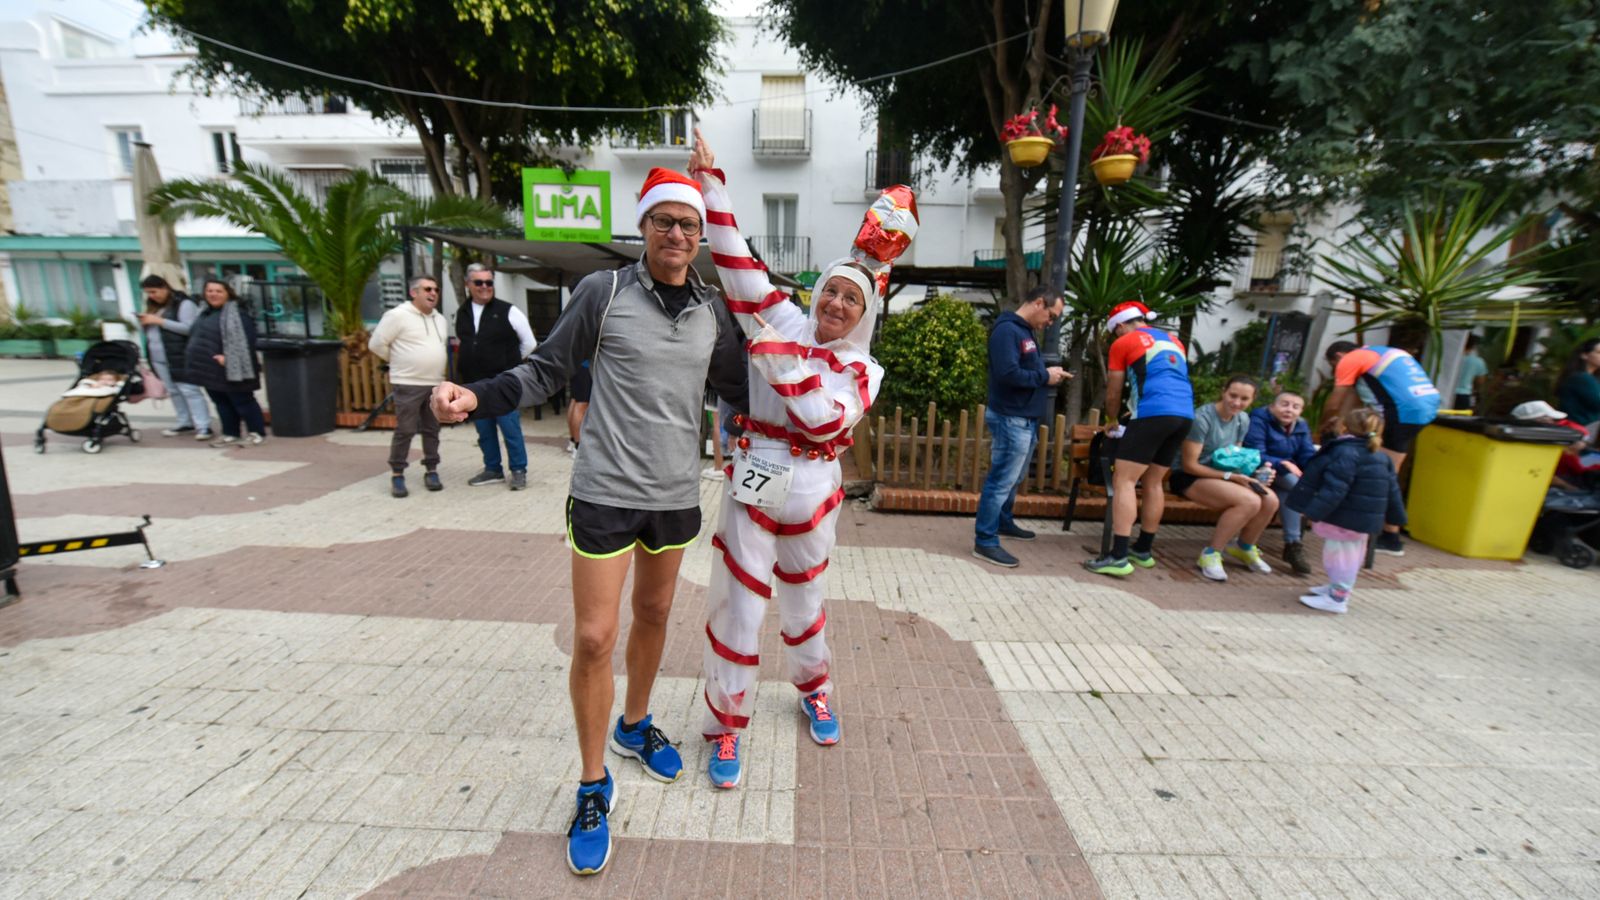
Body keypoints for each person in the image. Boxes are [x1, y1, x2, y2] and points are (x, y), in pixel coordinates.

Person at [430, 164, 747, 877]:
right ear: (643, 227)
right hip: (604, 490)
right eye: (663, 220)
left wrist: (827, 392)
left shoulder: (713, 310)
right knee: (597, 637)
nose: (676, 233)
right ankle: (592, 782)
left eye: (688, 223)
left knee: (658, 612)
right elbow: (544, 369)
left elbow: (742, 386)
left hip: (674, 493)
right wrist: (476, 399)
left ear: (701, 235)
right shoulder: (602, 293)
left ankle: (636, 724)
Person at [691, 130, 915, 789]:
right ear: (816, 292)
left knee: (805, 600)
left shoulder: (863, 369)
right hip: (759, 465)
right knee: (739, 603)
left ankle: (813, 687)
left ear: (864, 312)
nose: (837, 304)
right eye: (831, 292)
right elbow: (735, 262)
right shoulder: (780, 317)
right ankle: (726, 726)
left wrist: (772, 358)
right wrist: (713, 182)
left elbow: (822, 416)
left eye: (852, 298)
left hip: (814, 482)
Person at [1084, 302, 1194, 577]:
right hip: (1184, 414)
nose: (1115, 338)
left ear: (1119, 326)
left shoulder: (1124, 343)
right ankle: (1143, 549)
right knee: (1154, 480)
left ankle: (1118, 557)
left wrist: (1111, 421)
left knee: (1125, 480)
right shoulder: (1173, 340)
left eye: (1114, 333)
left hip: (1153, 413)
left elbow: (1114, 390)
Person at [972, 287, 1069, 568]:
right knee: (1001, 479)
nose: (1050, 323)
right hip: (1011, 418)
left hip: (1023, 418)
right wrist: (1045, 376)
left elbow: (1021, 371)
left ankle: (1002, 522)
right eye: (1051, 316)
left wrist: (1046, 374)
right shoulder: (1008, 331)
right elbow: (1007, 374)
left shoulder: (1023, 332)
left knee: (1011, 479)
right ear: (1039, 302)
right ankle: (985, 540)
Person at [1322, 341, 1441, 556]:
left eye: (1333, 365)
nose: (1335, 371)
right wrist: (1340, 423)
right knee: (1387, 473)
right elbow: (1352, 399)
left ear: (1339, 356)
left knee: (1380, 475)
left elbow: (1335, 402)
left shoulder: (1351, 358)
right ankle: (1386, 534)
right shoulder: (1385, 353)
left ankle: (1387, 537)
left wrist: (1323, 426)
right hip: (1423, 409)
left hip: (1400, 412)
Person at [1287, 407, 1407, 614]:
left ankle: (1338, 597)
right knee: (1350, 555)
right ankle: (1336, 588)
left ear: (1343, 427)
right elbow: (1393, 491)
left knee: (1339, 558)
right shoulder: (1380, 456)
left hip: (1343, 517)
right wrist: (1396, 518)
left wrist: (1313, 512)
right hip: (1361, 519)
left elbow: (1335, 489)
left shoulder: (1345, 453)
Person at [1170, 375, 1280, 581]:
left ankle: (1244, 547)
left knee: (1270, 499)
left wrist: (1255, 474)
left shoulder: (1243, 419)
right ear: (1223, 392)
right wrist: (1231, 477)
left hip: (1223, 476)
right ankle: (1211, 554)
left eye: (1244, 399)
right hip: (1188, 476)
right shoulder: (1202, 418)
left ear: (1252, 400)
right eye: (1233, 395)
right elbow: (1189, 465)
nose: (1237, 403)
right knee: (1249, 501)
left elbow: (1233, 457)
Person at [455, 262, 537, 490]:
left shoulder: (508, 310)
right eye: (479, 282)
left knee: (510, 428)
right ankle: (492, 469)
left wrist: (510, 365)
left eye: (489, 282)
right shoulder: (462, 312)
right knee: (484, 430)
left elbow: (529, 343)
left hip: (502, 383)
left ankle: (519, 470)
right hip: (474, 384)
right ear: (468, 284)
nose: (485, 287)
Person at [368, 275, 448, 498]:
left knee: (432, 429)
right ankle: (397, 473)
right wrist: (398, 362)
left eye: (436, 290)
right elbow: (376, 344)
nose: (433, 293)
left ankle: (431, 470)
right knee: (406, 429)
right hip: (408, 383)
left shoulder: (440, 319)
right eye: (427, 289)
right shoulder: (397, 316)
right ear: (414, 292)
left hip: (434, 383)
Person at [185, 278, 266, 447]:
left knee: (243, 401)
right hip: (209, 368)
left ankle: (256, 432)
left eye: (218, 291)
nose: (213, 294)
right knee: (221, 402)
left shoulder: (239, 314)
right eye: (210, 291)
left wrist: (230, 358)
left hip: (234, 368)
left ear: (228, 293)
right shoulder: (204, 312)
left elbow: (248, 340)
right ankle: (230, 433)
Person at [1245, 390, 1316, 575]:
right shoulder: (1259, 420)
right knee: (1297, 488)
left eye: (1295, 407)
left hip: (1285, 476)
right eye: (1284, 404)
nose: (1289, 410)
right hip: (1260, 471)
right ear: (1272, 406)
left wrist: (1316, 471)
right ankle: (1293, 545)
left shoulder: (1300, 426)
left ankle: (1293, 545)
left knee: (1290, 493)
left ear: (1301, 411)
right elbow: (1255, 453)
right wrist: (1282, 463)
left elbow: (1307, 455)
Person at [135, 274, 213, 440]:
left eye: (154, 291)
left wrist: (159, 321)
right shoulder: (154, 307)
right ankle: (184, 422)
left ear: (165, 287)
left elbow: (189, 328)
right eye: (148, 293)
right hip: (158, 356)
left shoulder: (183, 304)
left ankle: (203, 425)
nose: (152, 296)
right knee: (173, 390)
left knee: (189, 390)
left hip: (180, 354)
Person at [1556, 338, 1600, 427]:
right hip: (1580, 431)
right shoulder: (1582, 378)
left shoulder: (1586, 378)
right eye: (1599, 352)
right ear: (1584, 355)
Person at [1454, 334, 1488, 412]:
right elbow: (1480, 381)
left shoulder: (1451, 358)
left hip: (1443, 391)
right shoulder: (1478, 361)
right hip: (1464, 395)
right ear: (1473, 346)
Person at [566, 358, 590, 457]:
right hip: (585, 364)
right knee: (581, 404)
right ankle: (578, 447)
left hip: (577, 363)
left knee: (575, 400)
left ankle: (573, 441)